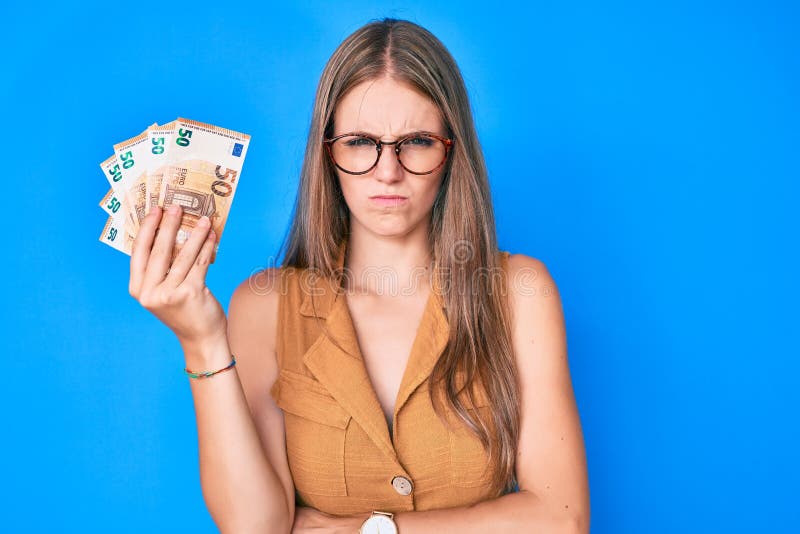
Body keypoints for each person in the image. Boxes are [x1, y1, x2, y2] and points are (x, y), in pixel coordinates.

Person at [128, 17, 589, 534]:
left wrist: (370, 530)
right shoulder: (264, 305)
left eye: (415, 141)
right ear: (328, 153)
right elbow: (256, 526)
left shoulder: (519, 293)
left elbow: (560, 520)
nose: (387, 171)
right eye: (359, 142)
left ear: (451, 150)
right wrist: (202, 341)